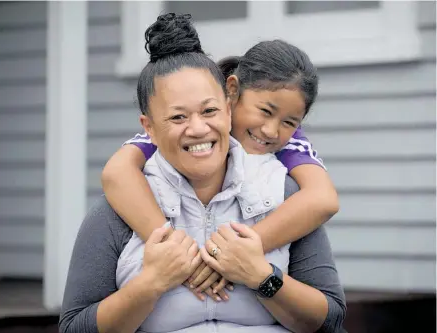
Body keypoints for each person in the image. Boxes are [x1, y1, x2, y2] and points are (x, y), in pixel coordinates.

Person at [60, 13, 345, 333]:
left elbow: (322, 200)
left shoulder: (284, 173)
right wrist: (161, 269)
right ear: (233, 94)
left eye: (209, 111)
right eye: (178, 117)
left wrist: (253, 266)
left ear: (225, 106)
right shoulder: (154, 154)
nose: (271, 130)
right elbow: (116, 172)